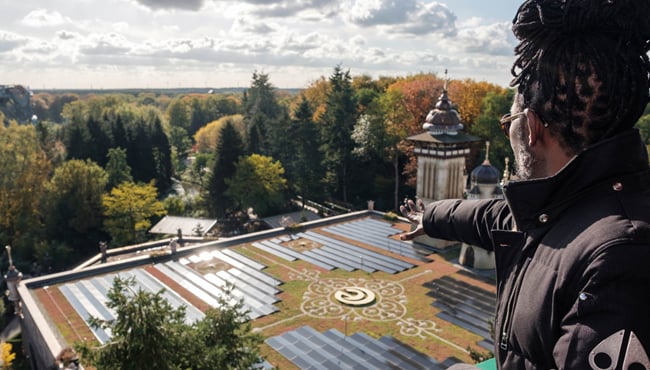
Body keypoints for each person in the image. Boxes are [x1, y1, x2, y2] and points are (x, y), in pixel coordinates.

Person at [400, 0, 650, 369]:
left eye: (509, 120)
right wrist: (431, 216)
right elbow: (492, 216)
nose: (509, 132)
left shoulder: (620, 258)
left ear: (531, 127)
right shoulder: (575, 207)